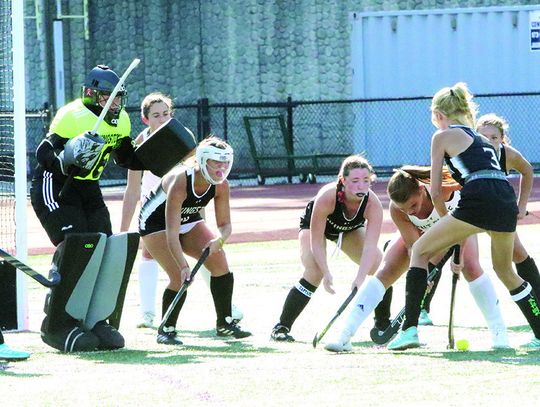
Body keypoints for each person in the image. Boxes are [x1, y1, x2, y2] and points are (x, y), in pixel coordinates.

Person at [384, 82, 540, 351]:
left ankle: (409, 330)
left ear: (438, 115)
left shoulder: (441, 136)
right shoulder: (481, 139)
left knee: (420, 250)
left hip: (478, 197)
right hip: (503, 198)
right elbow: (515, 171)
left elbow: (434, 191)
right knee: (505, 270)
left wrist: (447, 222)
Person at [30, 64, 152, 352]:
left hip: (88, 187)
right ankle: (57, 325)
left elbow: (125, 157)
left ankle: (93, 318)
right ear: (90, 93)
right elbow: (43, 153)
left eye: (118, 97)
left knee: (104, 247)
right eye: (107, 97)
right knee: (76, 247)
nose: (115, 104)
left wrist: (156, 154)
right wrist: (67, 159)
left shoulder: (120, 120)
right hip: (57, 185)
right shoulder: (73, 115)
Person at [325, 165, 509, 352]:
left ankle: (499, 335)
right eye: (406, 209)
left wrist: (457, 256)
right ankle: (344, 335)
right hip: (423, 238)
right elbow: (415, 246)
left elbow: (467, 210)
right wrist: (423, 274)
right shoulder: (397, 210)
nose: (411, 212)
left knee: (470, 266)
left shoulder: (445, 189)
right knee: (385, 271)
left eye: (413, 205)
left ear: (421, 191)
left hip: (459, 226)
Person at [121, 93, 242, 329]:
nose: (163, 119)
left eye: (166, 113)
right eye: (156, 115)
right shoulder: (144, 146)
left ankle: (225, 317)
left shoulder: (187, 144)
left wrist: (216, 237)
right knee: (177, 272)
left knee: (216, 257)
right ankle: (154, 318)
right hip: (156, 216)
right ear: (145, 119)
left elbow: (203, 189)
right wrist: (124, 232)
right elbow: (133, 190)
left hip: (186, 208)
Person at [139, 136, 251, 345]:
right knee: (178, 276)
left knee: (220, 261)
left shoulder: (221, 185)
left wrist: (220, 239)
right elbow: (172, 233)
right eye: (216, 162)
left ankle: (225, 323)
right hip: (156, 224)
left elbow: (225, 224)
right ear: (202, 160)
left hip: (188, 219)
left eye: (225, 162)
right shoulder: (180, 180)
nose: (221, 168)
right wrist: (183, 266)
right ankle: (167, 329)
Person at [270, 155, 384, 342]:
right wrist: (326, 272)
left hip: (349, 230)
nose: (361, 186)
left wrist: (360, 278)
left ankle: (382, 324)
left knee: (379, 266)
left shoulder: (373, 204)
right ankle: (282, 326)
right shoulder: (327, 197)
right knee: (314, 271)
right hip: (316, 229)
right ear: (343, 180)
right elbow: (316, 241)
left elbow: (371, 247)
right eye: (355, 181)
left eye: (366, 181)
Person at [476, 113, 540, 300]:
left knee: (517, 253)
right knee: (446, 254)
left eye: (494, 137)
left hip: (494, 209)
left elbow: (527, 171)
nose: (489, 141)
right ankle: (421, 309)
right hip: (467, 208)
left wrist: (522, 205)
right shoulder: (468, 152)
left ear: (502, 139)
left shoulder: (508, 154)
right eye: (483, 137)